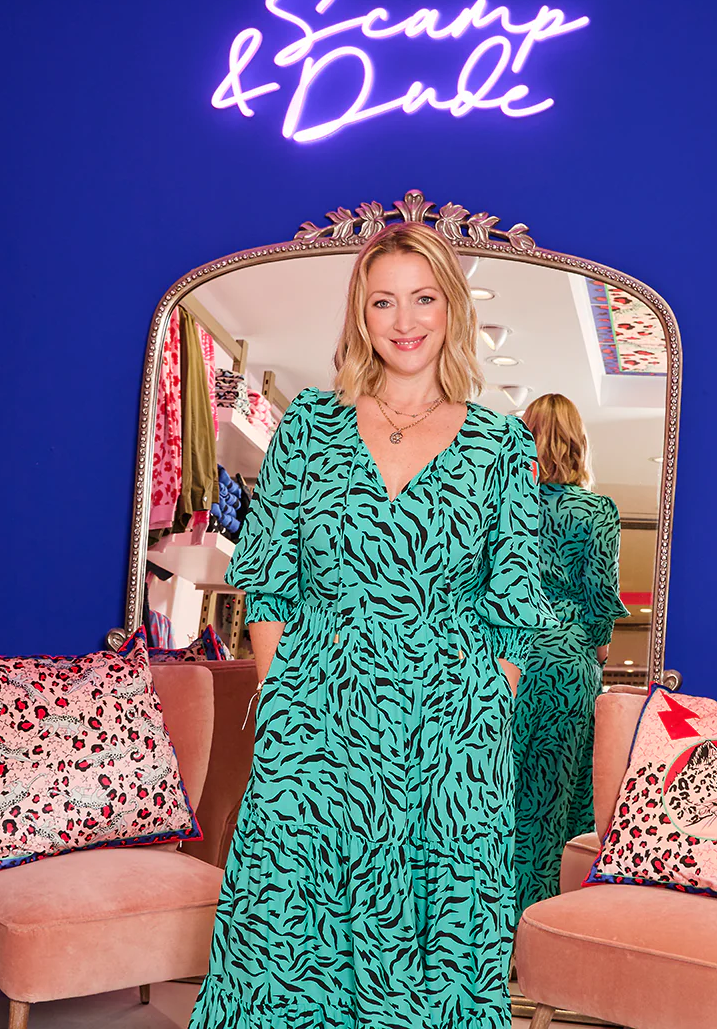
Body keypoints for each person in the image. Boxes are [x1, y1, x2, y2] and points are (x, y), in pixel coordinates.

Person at [188, 222, 551, 1029]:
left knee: (437, 931)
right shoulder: (308, 428)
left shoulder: (499, 444)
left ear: (452, 310)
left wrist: (485, 705)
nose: (404, 320)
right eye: (383, 301)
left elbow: (513, 603)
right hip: (318, 711)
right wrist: (283, 699)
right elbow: (269, 583)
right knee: (287, 919)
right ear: (361, 314)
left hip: (449, 730)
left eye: (423, 299)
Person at [513, 393, 629, 916]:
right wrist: (597, 650)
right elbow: (601, 598)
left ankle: (483, 923)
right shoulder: (596, 511)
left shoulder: (505, 505)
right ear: (578, 442)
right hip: (567, 664)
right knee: (553, 795)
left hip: (507, 658)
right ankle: (537, 922)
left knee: (495, 789)